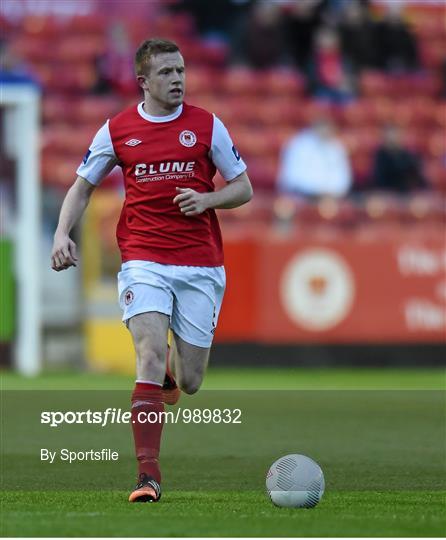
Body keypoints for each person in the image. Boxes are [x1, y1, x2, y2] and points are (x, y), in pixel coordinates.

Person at [51, 38, 253, 502]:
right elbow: (82, 187)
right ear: (143, 81)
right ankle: (148, 476)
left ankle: (169, 374)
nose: (178, 79)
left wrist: (207, 199)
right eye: (166, 73)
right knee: (147, 352)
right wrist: (62, 234)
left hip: (200, 262)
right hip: (143, 256)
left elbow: (242, 188)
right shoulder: (118, 129)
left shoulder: (207, 126)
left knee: (191, 382)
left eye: (181, 70)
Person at [277, 116, 351, 198]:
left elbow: (342, 178)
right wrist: (319, 191)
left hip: (332, 196)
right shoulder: (299, 145)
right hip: (302, 195)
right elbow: (294, 178)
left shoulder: (336, 146)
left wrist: (333, 191)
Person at [371, 124, 426, 193]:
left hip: (405, 192)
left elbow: (416, 177)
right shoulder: (380, 155)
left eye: (395, 135)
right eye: (390, 135)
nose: (392, 138)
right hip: (386, 193)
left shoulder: (406, 155)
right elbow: (379, 179)